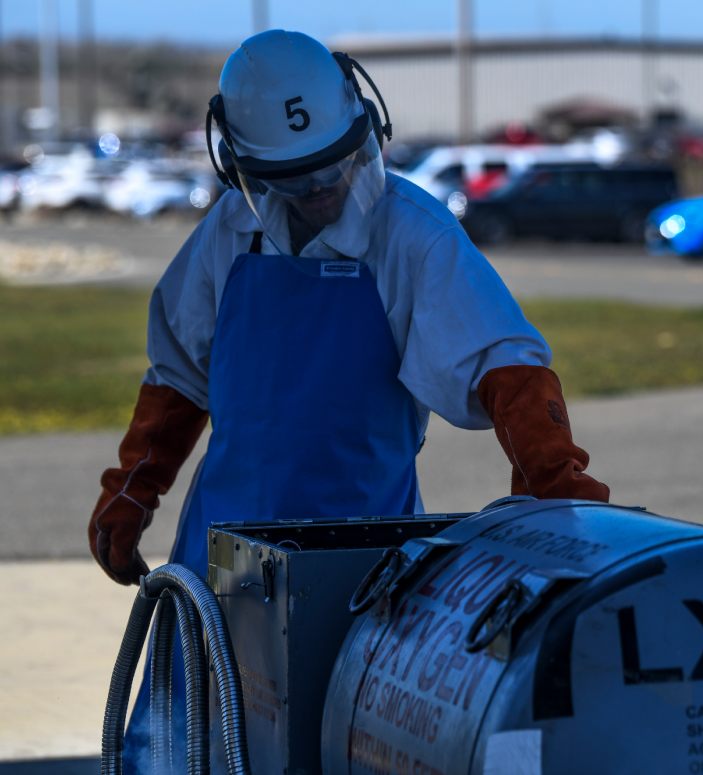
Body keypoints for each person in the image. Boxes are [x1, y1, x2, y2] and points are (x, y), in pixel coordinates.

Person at [86, 29, 607, 767]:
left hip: (358, 572)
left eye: (335, 167)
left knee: (330, 750)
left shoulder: (412, 236)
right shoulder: (229, 236)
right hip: (217, 563)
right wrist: (131, 491)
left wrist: (555, 487)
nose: (324, 190)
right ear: (246, 171)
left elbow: (502, 363)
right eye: (295, 181)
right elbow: (178, 371)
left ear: (364, 132)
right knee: (182, 748)